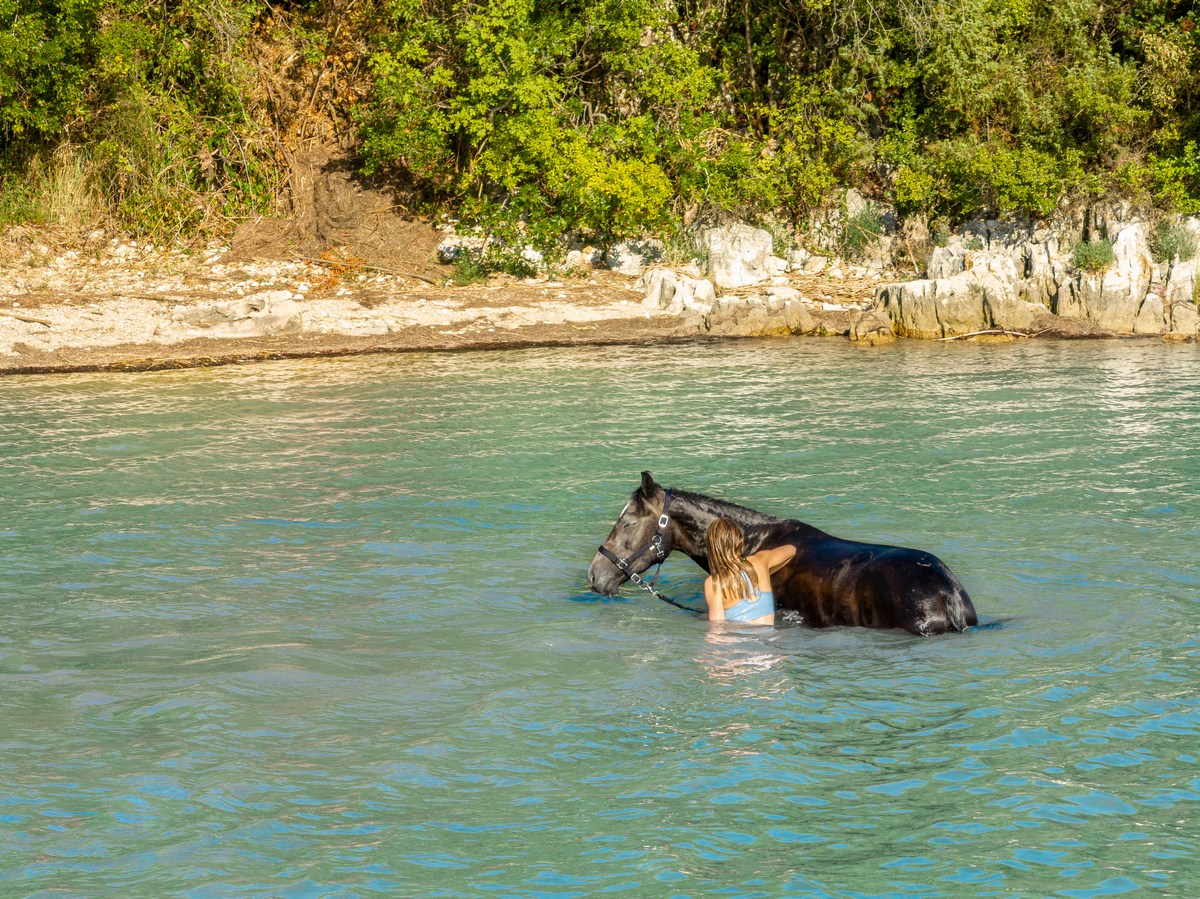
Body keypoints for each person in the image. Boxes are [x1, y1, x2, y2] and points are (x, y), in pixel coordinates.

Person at [703, 517, 796, 625]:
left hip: (740, 640)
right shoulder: (761, 560)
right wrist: (767, 571)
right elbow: (791, 550)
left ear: (712, 548)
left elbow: (717, 630)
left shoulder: (715, 583)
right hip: (770, 638)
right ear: (740, 541)